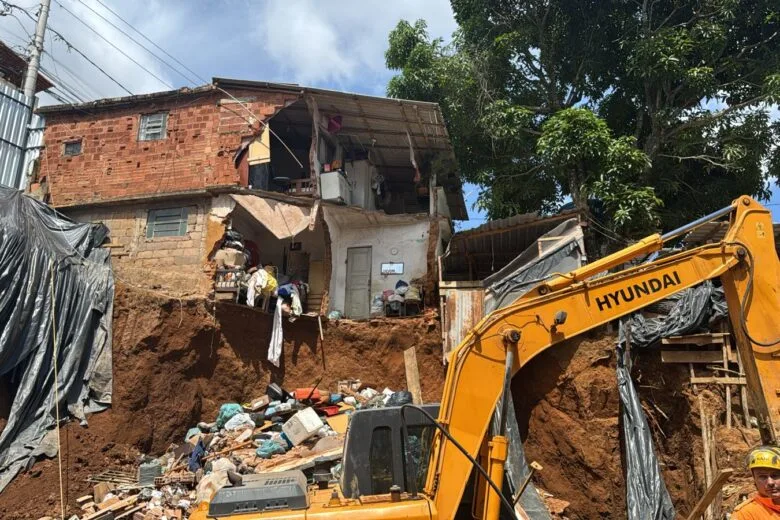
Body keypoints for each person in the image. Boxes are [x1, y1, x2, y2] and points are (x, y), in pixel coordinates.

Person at [732, 445, 780, 519]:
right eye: (762, 476)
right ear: (754, 479)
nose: (770, 482)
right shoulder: (745, 514)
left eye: (775, 475)